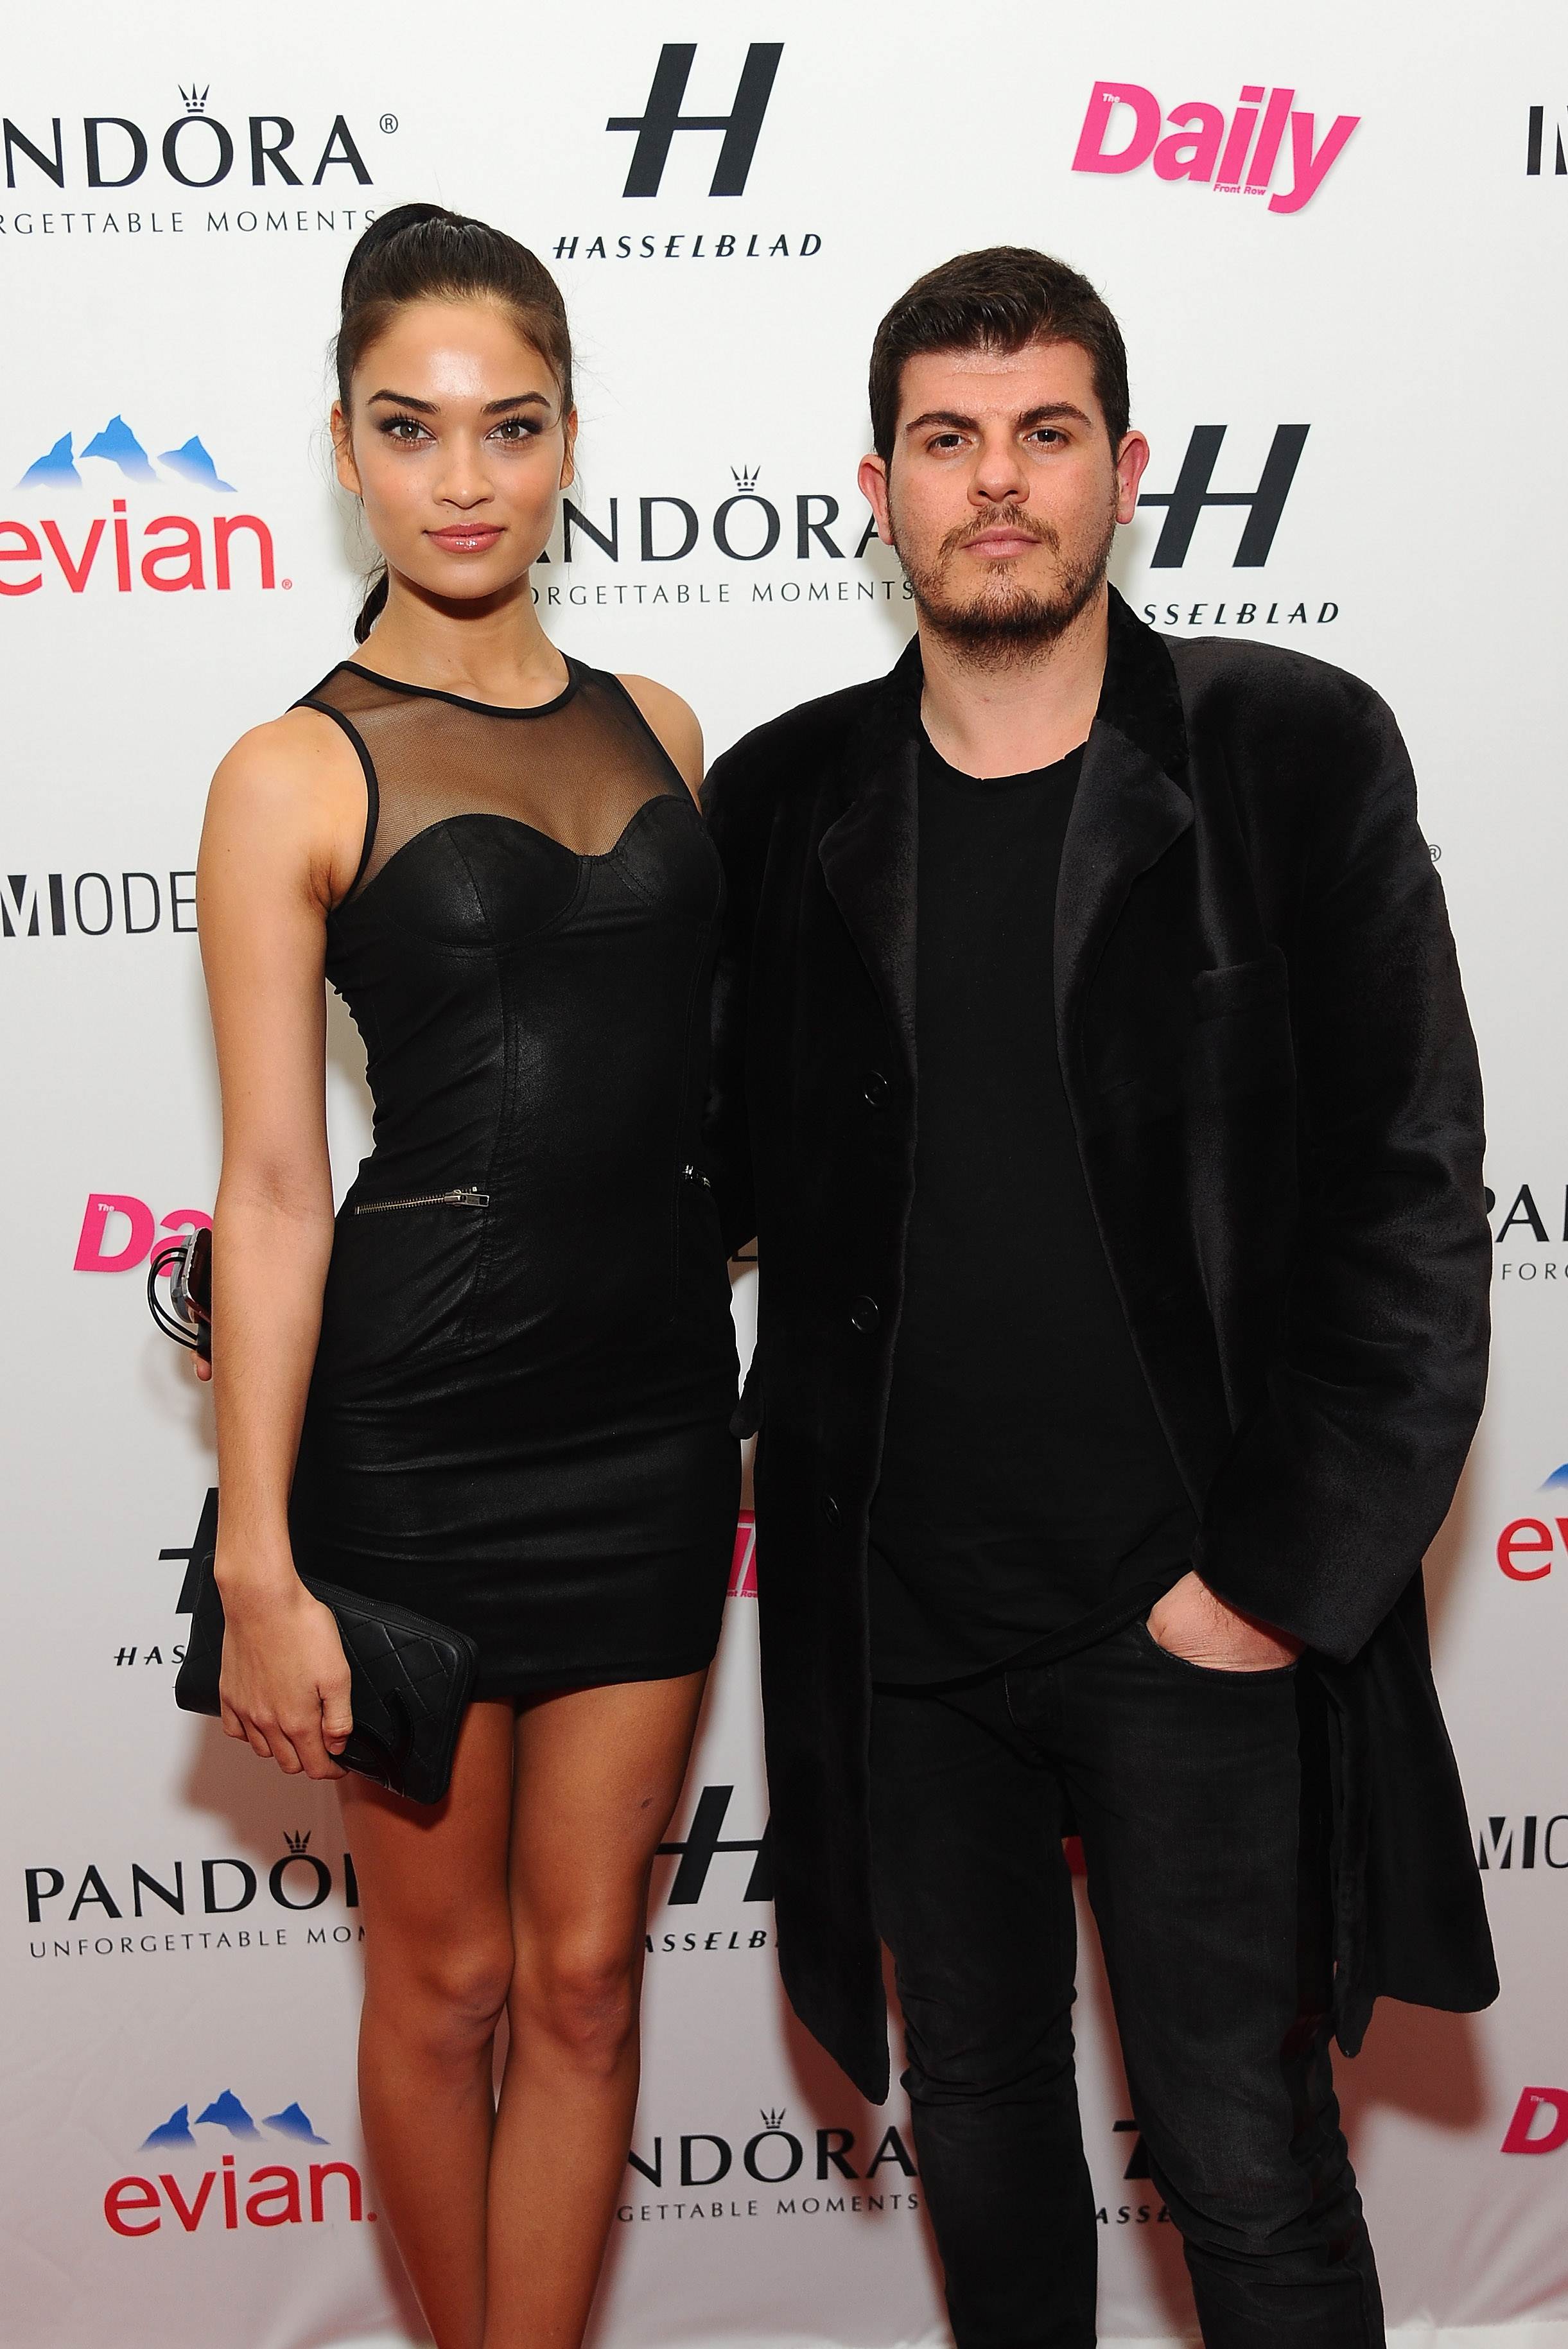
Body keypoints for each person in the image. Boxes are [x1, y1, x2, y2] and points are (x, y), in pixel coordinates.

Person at [702, 246, 1496, 2348]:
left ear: (1124, 469)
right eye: (946, 439)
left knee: (1241, 2154)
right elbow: (677, 1177)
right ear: (873, 486)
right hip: (902, 1629)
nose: (995, 481)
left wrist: (1271, 1582)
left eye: (1043, 433)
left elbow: (1409, 1200)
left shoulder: (1285, 752)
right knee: (975, 2115)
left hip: (1191, 1612)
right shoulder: (779, 801)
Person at [195, 204, 738, 2349]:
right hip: (411, 1446)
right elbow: (267, 1184)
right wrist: (261, 1555)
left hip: (651, 1425)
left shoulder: (664, 726)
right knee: (447, 1982)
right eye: (409, 429)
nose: (463, 477)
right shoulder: (290, 771)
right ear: (345, 448)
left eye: (510, 426)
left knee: (590, 1976)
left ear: (569, 440)